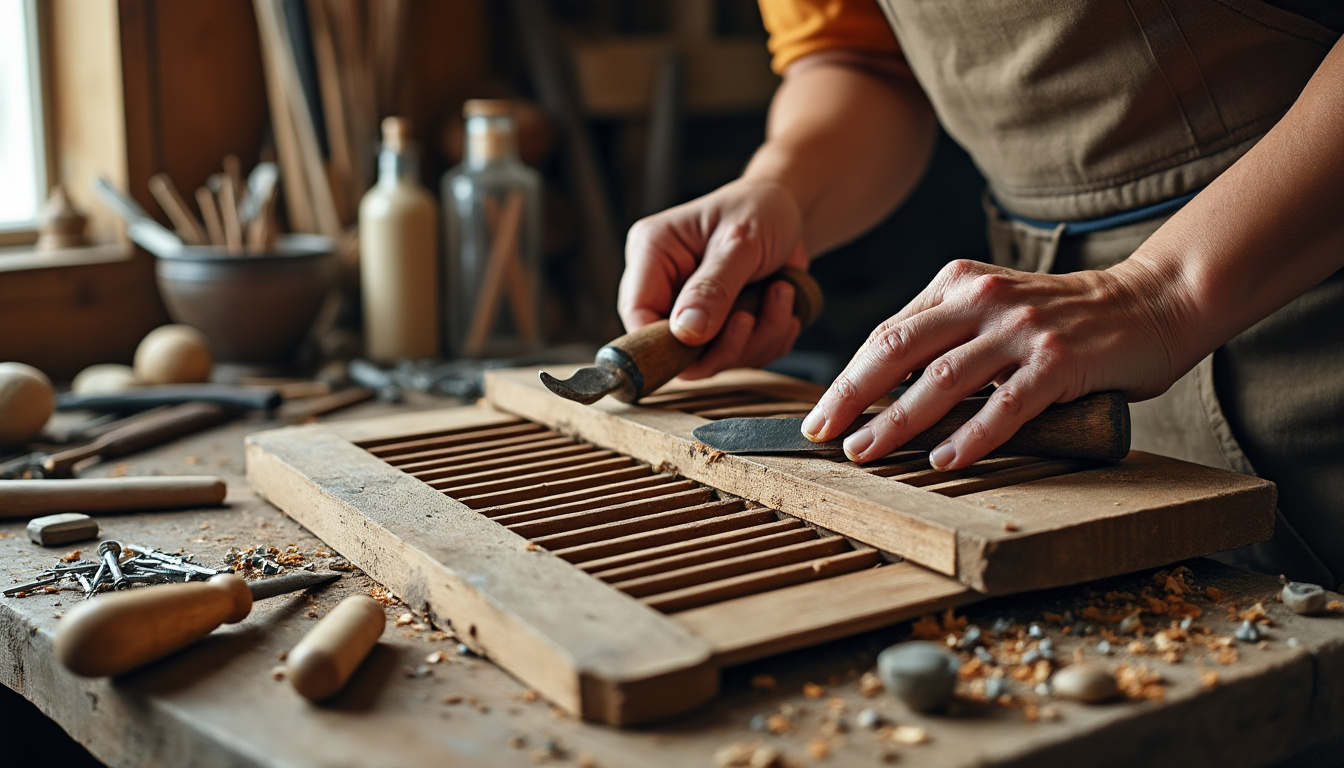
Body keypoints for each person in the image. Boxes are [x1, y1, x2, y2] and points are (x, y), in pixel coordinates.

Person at [618, 0, 1344, 586]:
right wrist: (782, 189)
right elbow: (858, 59)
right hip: (1049, 369)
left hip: (1307, 303)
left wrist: (1160, 291)